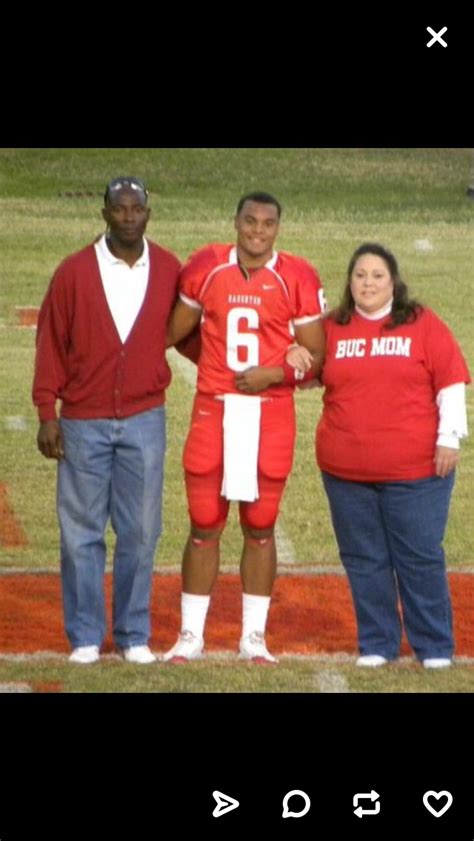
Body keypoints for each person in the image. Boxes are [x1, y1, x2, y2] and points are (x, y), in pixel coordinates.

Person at [163, 191, 326, 664]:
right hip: (215, 406)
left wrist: (276, 373)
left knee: (260, 526)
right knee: (203, 524)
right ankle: (191, 635)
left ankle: (253, 637)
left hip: (270, 410)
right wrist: (213, 362)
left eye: (268, 223)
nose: (258, 230)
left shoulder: (296, 274)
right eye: (250, 221)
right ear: (235, 221)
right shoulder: (207, 266)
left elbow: (317, 356)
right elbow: (174, 333)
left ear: (279, 227)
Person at [32, 177, 181, 664]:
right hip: (83, 420)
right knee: (81, 532)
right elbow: (51, 343)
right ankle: (85, 636)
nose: (128, 217)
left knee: (141, 531)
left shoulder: (168, 269)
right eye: (119, 209)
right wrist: (45, 412)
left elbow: (191, 332)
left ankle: (134, 633)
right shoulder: (74, 271)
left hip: (144, 416)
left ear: (148, 213)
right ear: (104, 213)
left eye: (136, 209)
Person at [302, 242, 470, 669]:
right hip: (345, 472)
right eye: (360, 275)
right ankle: (378, 643)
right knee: (364, 560)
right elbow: (305, 374)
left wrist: (450, 436)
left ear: (393, 281)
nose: (368, 283)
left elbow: (450, 378)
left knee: (419, 556)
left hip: (416, 472)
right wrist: (293, 353)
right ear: (349, 282)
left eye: (377, 275)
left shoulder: (421, 323)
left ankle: (433, 646)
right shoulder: (333, 327)